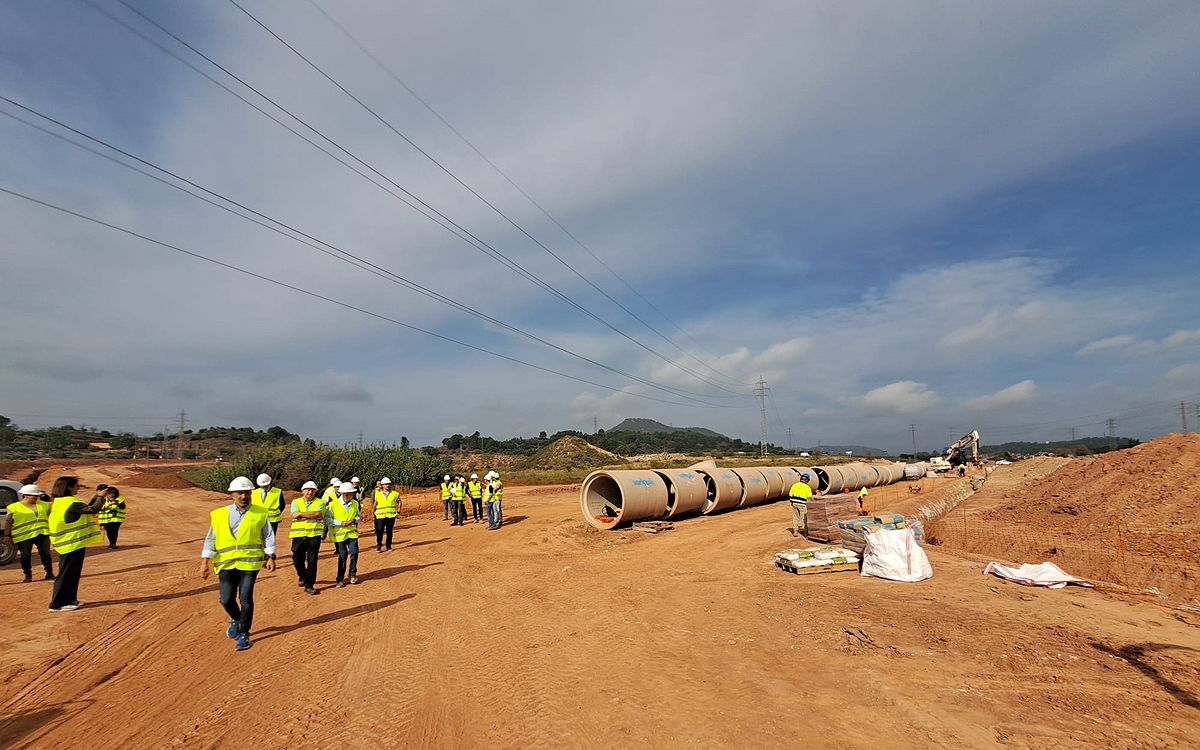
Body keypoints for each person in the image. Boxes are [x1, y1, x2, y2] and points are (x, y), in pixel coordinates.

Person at [200, 476, 277, 651]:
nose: (243, 496)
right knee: (226, 599)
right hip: (226, 564)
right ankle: (236, 618)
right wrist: (204, 562)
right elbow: (211, 538)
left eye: (246, 493)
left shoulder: (260, 512)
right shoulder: (219, 514)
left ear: (251, 494)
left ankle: (244, 634)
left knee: (245, 598)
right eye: (239, 493)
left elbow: (268, 536)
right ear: (232, 495)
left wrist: (271, 556)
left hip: (250, 563)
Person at [47, 476, 105, 611]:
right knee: (66, 574)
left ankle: (70, 600)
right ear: (69, 487)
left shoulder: (61, 501)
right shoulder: (71, 503)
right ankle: (57, 604)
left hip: (70, 542)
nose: (78, 487)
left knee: (72, 574)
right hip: (71, 543)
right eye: (76, 485)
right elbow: (93, 510)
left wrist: (97, 496)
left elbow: (87, 508)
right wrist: (101, 497)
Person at [3, 484, 54, 582]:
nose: (36, 497)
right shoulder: (14, 507)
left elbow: (54, 507)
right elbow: (9, 522)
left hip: (42, 533)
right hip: (24, 535)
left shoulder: (44, 504)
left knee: (45, 554)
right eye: (34, 495)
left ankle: (49, 573)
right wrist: (7, 535)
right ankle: (28, 575)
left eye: (37, 495)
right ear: (25, 495)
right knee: (25, 556)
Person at [289, 481, 324, 595]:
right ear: (302, 491)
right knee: (297, 558)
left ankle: (309, 584)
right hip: (298, 535)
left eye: (312, 490)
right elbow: (294, 514)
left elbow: (318, 515)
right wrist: (311, 515)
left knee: (312, 561)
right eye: (307, 490)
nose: (310, 492)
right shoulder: (296, 502)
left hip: (314, 536)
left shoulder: (320, 502)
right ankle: (302, 575)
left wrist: (301, 514)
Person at [327, 481, 361, 587]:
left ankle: (352, 574)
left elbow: (358, 516)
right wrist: (341, 523)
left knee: (354, 552)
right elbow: (328, 520)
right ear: (344, 494)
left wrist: (355, 520)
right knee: (343, 555)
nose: (352, 495)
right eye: (350, 494)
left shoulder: (355, 503)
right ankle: (340, 578)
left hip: (352, 533)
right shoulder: (332, 505)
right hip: (340, 534)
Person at [373, 477, 400, 552]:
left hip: (391, 515)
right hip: (380, 516)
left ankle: (388, 546)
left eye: (388, 484)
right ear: (382, 485)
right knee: (379, 531)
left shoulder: (395, 494)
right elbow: (375, 504)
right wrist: (373, 513)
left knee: (389, 531)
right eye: (385, 484)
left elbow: (399, 502)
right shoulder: (377, 494)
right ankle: (379, 545)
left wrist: (398, 511)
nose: (387, 485)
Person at [788, 473, 814, 538]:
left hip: (795, 503)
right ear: (807, 480)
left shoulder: (795, 485)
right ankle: (805, 532)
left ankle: (795, 531)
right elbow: (809, 497)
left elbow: (791, 494)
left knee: (795, 517)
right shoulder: (807, 487)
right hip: (802, 504)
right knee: (804, 518)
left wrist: (792, 502)